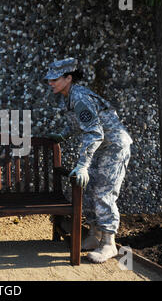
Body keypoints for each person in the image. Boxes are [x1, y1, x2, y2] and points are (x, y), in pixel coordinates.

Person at [44, 57, 133, 263]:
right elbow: (79, 124)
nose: (50, 83)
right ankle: (94, 236)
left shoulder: (80, 97)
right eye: (49, 79)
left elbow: (94, 133)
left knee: (104, 192)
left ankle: (109, 244)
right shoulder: (70, 96)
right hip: (102, 147)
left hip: (113, 147)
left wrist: (83, 165)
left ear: (68, 78)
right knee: (91, 188)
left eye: (54, 79)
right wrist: (64, 135)